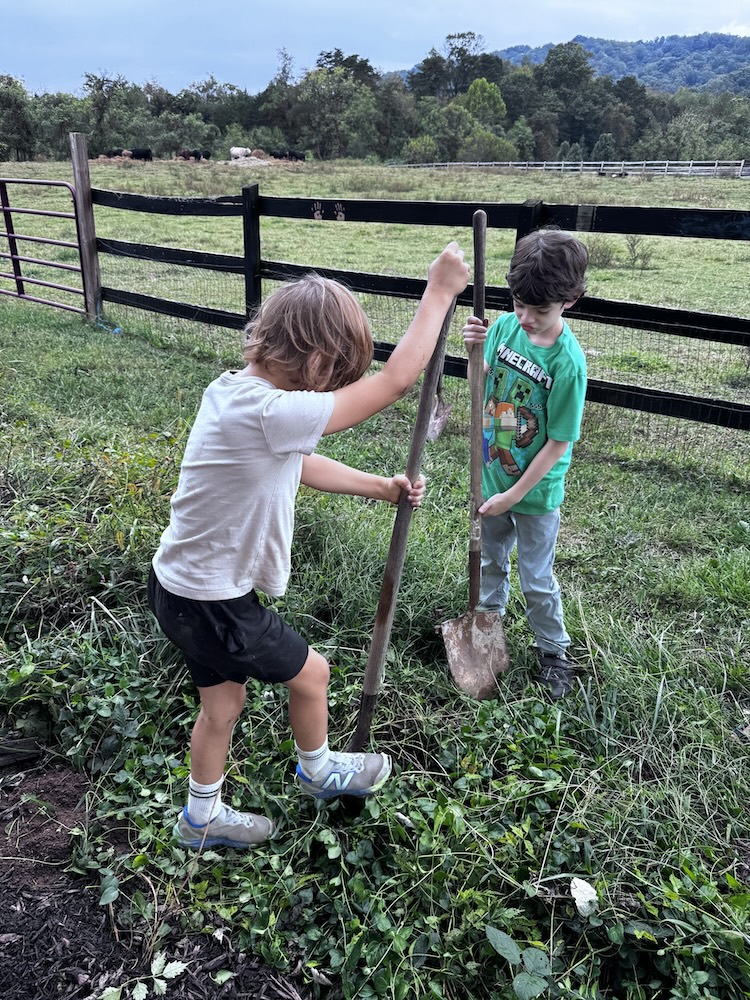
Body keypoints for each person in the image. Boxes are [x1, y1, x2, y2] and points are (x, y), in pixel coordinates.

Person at [148, 243, 469, 850]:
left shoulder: (235, 393)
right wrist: (439, 292)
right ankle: (320, 771)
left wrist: (379, 486)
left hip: (178, 588)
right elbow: (396, 382)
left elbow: (297, 464)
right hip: (214, 600)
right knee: (312, 673)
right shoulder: (272, 410)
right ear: (319, 363)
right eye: (338, 377)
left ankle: (200, 819)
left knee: (222, 706)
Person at [462, 227, 588, 699]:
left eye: (541, 310)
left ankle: (554, 651)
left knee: (537, 579)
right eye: (519, 304)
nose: (527, 318)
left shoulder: (567, 363)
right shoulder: (503, 328)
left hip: (533, 494)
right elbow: (480, 381)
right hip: (492, 474)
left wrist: (514, 495)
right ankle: (486, 637)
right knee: (491, 564)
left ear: (570, 301)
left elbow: (557, 442)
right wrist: (474, 349)